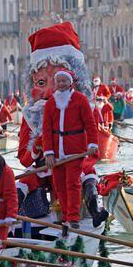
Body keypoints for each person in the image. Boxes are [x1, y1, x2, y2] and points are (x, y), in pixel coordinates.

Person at [42, 68, 98, 228]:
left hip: (75, 149)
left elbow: (90, 124)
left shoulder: (80, 100)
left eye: (64, 81)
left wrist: (92, 144)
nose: (61, 84)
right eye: (58, 81)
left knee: (72, 183)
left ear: (70, 82)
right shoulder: (51, 103)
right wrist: (48, 152)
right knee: (58, 185)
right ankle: (65, 215)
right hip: (56, 151)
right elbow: (46, 129)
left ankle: (73, 218)